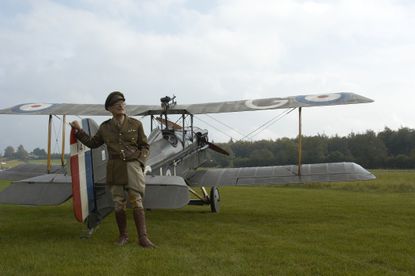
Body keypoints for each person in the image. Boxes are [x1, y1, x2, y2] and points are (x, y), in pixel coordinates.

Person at [70, 91, 155, 248]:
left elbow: (145, 146)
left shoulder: (136, 124)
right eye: (117, 104)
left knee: (136, 200)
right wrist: (78, 131)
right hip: (114, 167)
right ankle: (123, 236)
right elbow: (93, 143)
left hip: (132, 166)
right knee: (118, 203)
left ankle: (143, 238)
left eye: (123, 103)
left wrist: (140, 162)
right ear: (109, 108)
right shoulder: (105, 128)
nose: (121, 106)